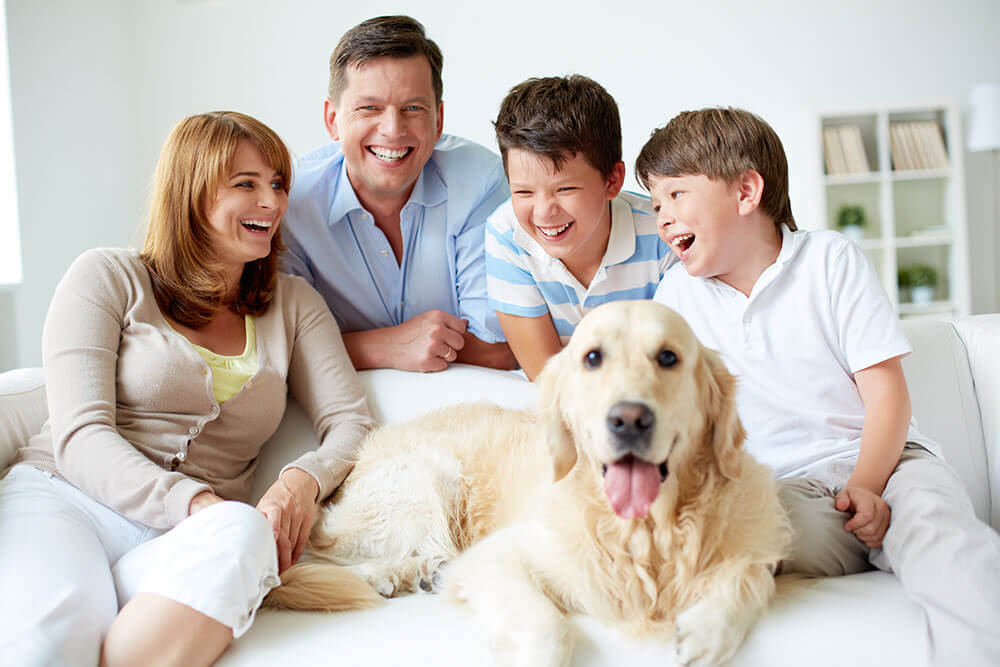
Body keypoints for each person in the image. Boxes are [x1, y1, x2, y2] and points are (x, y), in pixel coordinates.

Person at [0, 111, 376, 666]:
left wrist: (301, 480)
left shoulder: (295, 306)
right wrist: (194, 502)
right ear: (191, 194)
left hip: (185, 539)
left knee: (244, 528)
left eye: (277, 184)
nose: (271, 203)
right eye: (245, 184)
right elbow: (81, 435)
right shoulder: (106, 276)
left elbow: (351, 423)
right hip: (68, 501)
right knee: (54, 639)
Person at [639, 107, 1000, 666]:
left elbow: (887, 396)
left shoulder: (828, 259)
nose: (663, 217)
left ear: (746, 192)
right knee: (724, 548)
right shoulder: (675, 299)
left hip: (890, 465)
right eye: (656, 203)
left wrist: (867, 484)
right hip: (782, 491)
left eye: (677, 195)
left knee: (942, 540)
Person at [282, 15, 515, 373]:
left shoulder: (481, 181)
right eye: (369, 108)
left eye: (413, 108)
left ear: (438, 120)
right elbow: (281, 348)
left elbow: (499, 346)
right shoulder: (291, 201)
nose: (392, 129)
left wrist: (333, 344)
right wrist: (383, 347)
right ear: (332, 120)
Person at [484, 75, 673, 380]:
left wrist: (571, 349)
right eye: (523, 192)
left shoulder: (661, 232)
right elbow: (544, 374)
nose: (544, 212)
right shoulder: (507, 234)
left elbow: (668, 367)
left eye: (565, 189)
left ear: (611, 181)